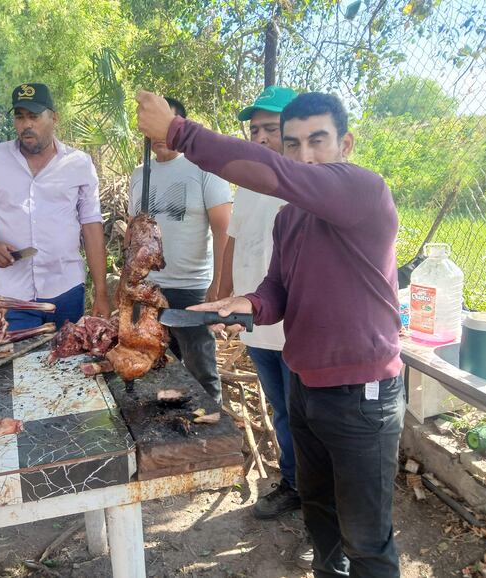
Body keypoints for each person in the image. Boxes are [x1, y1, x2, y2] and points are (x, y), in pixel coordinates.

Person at [136, 90, 405, 578]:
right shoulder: (290, 217)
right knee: (319, 512)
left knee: (366, 538)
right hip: (305, 384)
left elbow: (280, 174)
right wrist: (247, 303)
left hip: (362, 396)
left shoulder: (364, 190)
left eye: (319, 141)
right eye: (293, 144)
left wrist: (177, 130)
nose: (305, 156)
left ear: (346, 144)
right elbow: (278, 288)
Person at [0, 83, 110, 330]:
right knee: (20, 364)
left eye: (34, 116)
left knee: (68, 362)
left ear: (54, 117)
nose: (26, 124)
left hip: (66, 290)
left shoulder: (78, 164)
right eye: (19, 117)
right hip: (13, 295)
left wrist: (102, 292)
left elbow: (91, 226)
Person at [218, 86, 302, 520]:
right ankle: (293, 484)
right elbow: (234, 238)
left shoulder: (305, 185)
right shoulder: (249, 182)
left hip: (295, 327)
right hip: (256, 323)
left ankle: (319, 500)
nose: (262, 137)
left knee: (307, 418)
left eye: (271, 128)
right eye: (255, 130)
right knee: (282, 410)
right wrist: (220, 291)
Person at [127, 97, 232, 404]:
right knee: (160, 362)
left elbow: (223, 229)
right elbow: (134, 232)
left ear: (180, 126)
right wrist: (129, 282)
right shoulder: (140, 174)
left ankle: (213, 424)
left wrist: (219, 284)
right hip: (150, 289)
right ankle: (172, 422)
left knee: (200, 364)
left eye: (166, 124)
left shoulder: (204, 169)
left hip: (192, 288)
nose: (159, 134)